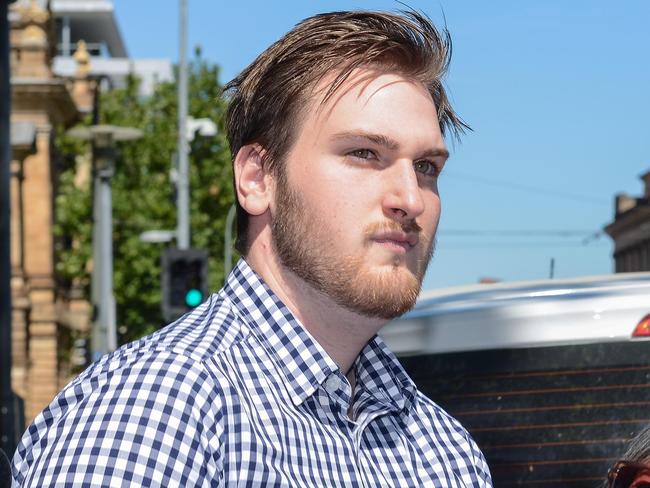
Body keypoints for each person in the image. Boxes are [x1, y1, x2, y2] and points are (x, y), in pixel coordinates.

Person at [12, 10, 493, 487]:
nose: (410, 199)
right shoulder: (155, 413)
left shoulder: (443, 449)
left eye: (427, 167)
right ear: (258, 179)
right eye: (364, 154)